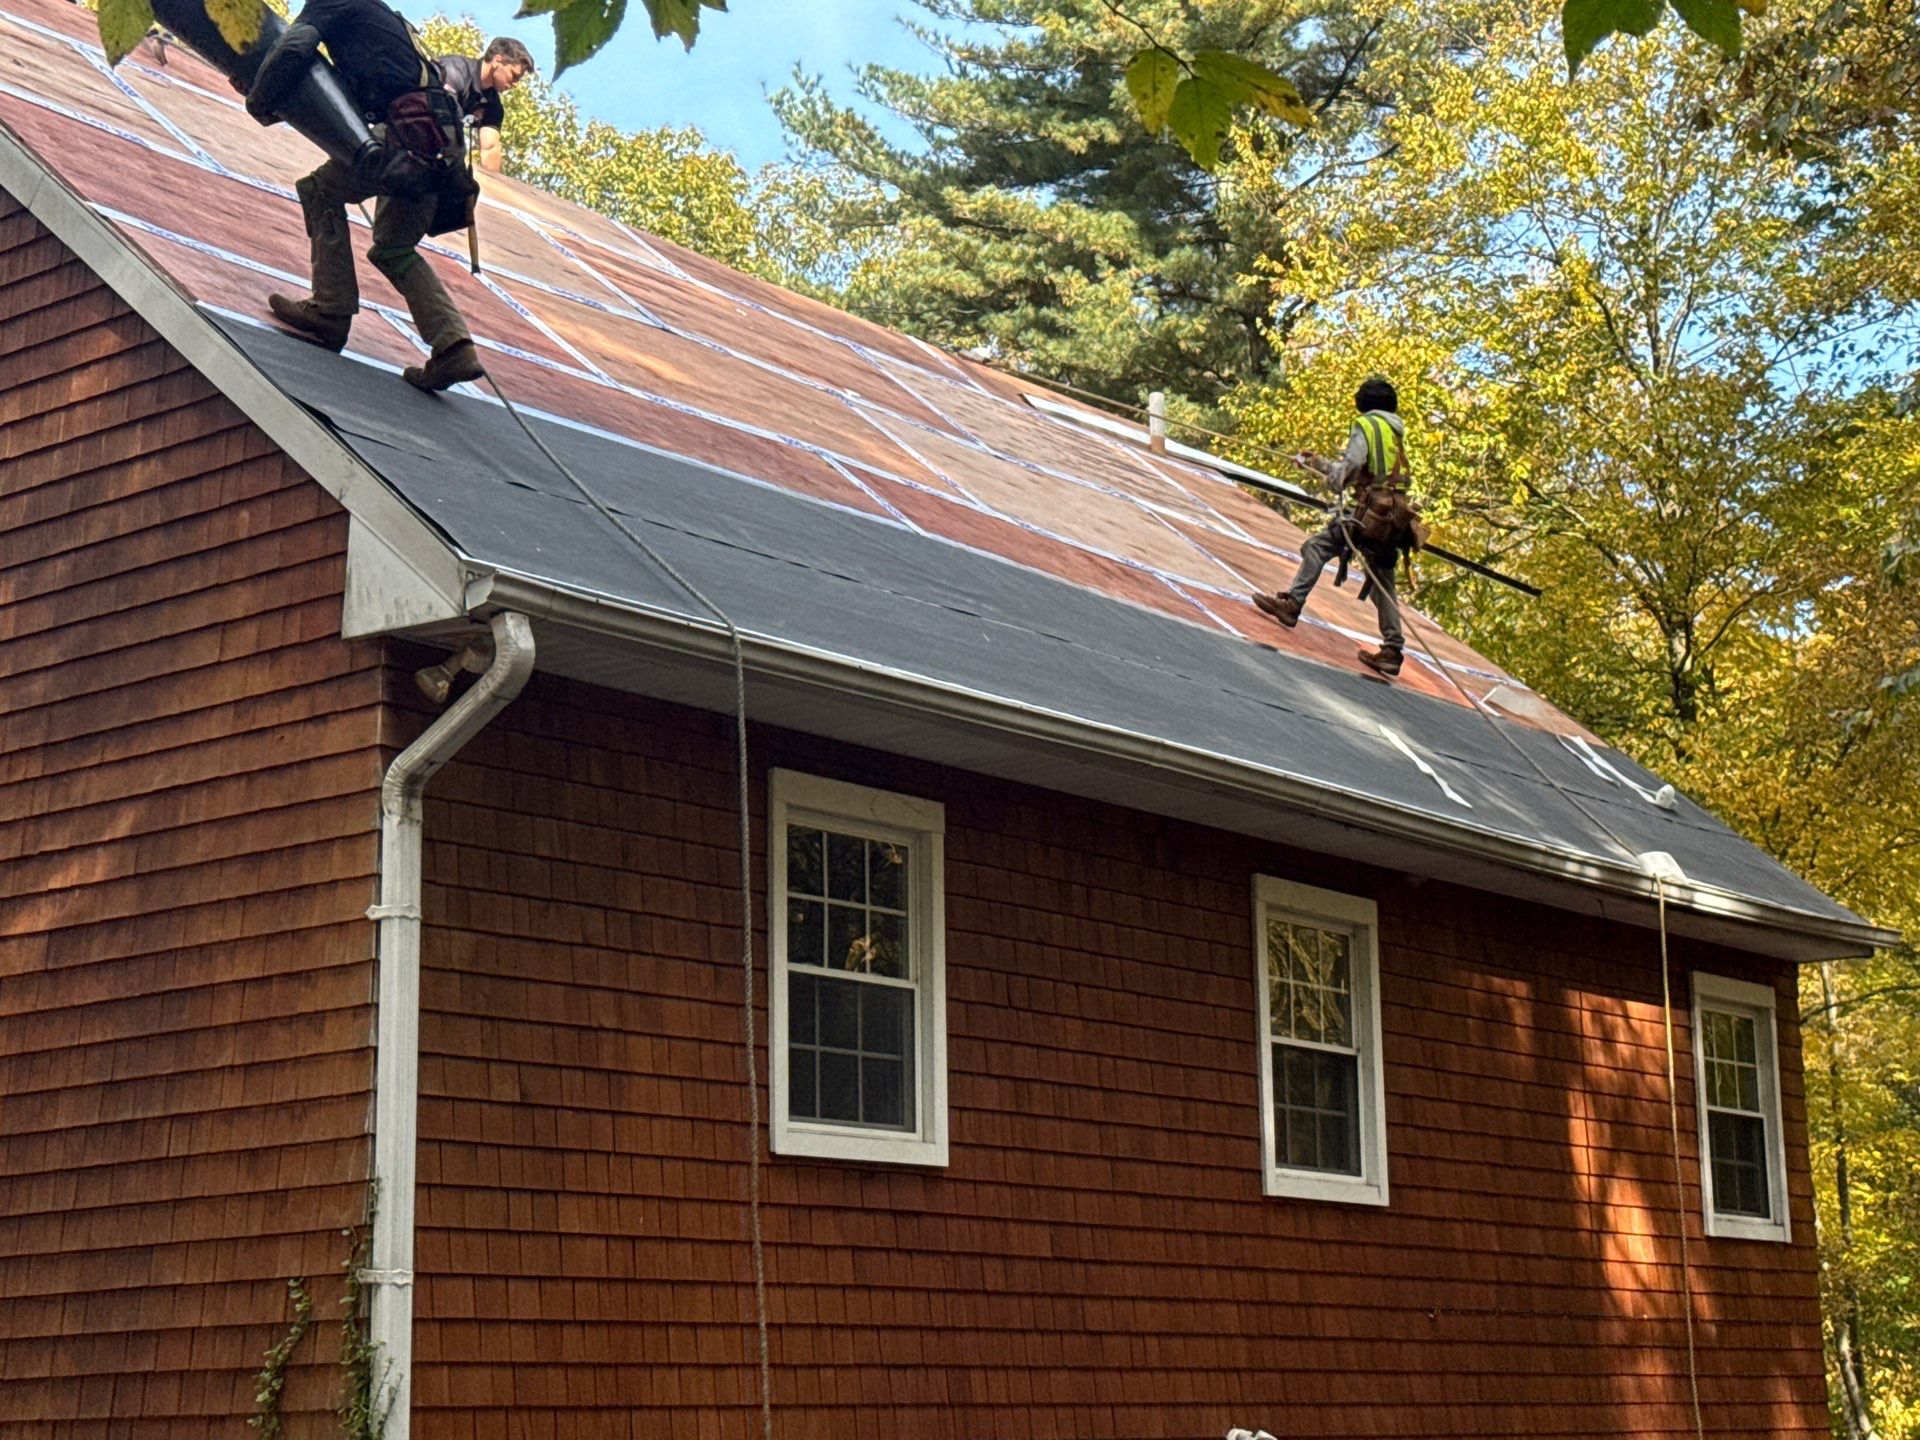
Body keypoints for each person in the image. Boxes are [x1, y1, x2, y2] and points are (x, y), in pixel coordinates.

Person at [243, 0, 517, 391]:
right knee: (395, 249)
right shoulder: (379, 16)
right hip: (441, 153)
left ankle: (330, 311)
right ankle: (454, 348)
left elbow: (293, 49)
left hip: (405, 140)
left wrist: (258, 100)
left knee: (319, 192)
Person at [1254, 376, 1418, 678]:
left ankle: (1292, 604)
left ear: (1363, 402)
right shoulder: (1395, 431)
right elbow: (1376, 472)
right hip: (1392, 516)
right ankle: (1392, 651)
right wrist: (1319, 463)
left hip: (1368, 513)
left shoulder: (1367, 424)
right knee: (1382, 581)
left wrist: (1332, 478)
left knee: (1318, 547)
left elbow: (1352, 466)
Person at [435, 37, 534, 175]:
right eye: (514, 76)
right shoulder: (452, 70)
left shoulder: (493, 105)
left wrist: (496, 187)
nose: (515, 84)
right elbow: (441, 121)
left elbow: (490, 148)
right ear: (497, 61)